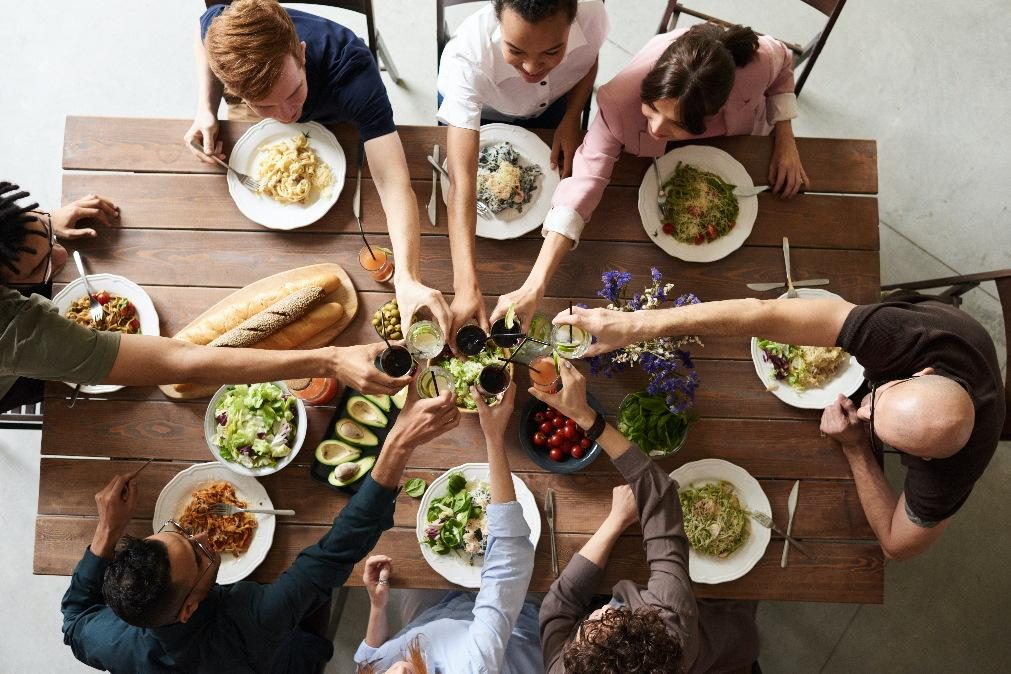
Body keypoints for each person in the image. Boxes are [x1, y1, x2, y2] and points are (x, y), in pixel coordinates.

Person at [553, 292, 1005, 560]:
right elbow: (762, 313)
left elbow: (896, 543)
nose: (861, 407)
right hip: (936, 328)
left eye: (874, 424)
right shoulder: (908, 337)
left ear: (924, 459)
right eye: (878, 400)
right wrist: (638, 324)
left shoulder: (952, 473)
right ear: (920, 373)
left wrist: (854, 448)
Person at [61, 384, 461, 673]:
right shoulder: (251, 621)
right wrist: (397, 446)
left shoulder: (109, 643)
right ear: (189, 609)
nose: (201, 536)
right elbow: (337, 550)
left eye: (177, 531)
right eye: (197, 554)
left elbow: (74, 619)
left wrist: (107, 532)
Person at [494, 22, 807, 333]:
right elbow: (584, 182)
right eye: (652, 109)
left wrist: (785, 138)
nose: (656, 129)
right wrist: (534, 285)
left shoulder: (759, 63)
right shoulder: (618, 101)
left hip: (739, 149)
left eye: (676, 123)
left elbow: (784, 68)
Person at [0, 181, 410, 413]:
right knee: (46, 393)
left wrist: (39, 226)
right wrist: (332, 359)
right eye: (40, 268)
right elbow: (177, 360)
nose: (61, 255)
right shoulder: (17, 331)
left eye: (48, 240)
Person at [186, 0, 451, 338]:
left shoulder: (352, 70)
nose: (286, 116)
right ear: (236, 90)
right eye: (265, 105)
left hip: (340, 120)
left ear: (301, 53)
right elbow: (201, 29)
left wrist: (407, 278)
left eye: (294, 92)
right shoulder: (223, 30)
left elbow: (392, 181)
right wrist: (205, 110)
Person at [532, 361, 759, 672]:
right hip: (719, 639)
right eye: (605, 622)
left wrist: (614, 523)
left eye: (583, 632)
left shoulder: (567, 669)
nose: (594, 614)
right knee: (735, 609)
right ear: (644, 627)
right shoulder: (672, 622)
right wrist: (587, 418)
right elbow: (661, 496)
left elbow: (556, 608)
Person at [439, 0, 607, 343]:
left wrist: (572, 117)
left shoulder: (592, 16)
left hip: (557, 105)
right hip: (488, 111)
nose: (531, 67)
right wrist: (465, 285)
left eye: (552, 51)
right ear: (497, 19)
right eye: (514, 50)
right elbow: (463, 180)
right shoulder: (466, 60)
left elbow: (589, 61)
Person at [353, 383, 543, 673]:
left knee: (410, 569)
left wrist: (377, 606)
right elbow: (508, 562)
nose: (400, 672)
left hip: (436, 619)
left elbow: (367, 661)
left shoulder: (387, 668)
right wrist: (493, 436)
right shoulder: (473, 666)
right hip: (518, 625)